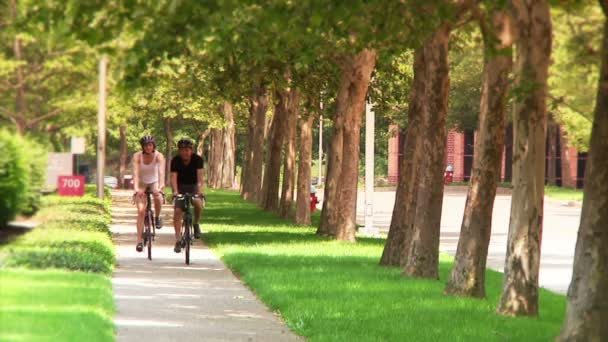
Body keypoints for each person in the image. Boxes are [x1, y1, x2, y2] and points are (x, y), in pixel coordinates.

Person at [170, 137, 204, 253]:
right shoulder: (175, 160)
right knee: (178, 211)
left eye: (187, 150)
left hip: (193, 186)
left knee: (198, 204)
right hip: (180, 187)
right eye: (183, 150)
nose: (185, 152)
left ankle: (196, 224)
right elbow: (173, 178)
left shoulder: (198, 160)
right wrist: (175, 192)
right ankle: (178, 240)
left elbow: (200, 178)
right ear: (179, 151)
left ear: (191, 150)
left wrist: (200, 192)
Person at [132, 135, 165, 252]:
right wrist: (136, 189)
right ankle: (139, 241)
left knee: (157, 195)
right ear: (143, 146)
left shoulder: (159, 156)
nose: (148, 147)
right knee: (141, 211)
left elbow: (161, 172)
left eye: (150, 145)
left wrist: (161, 186)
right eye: (146, 145)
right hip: (141, 182)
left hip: (154, 181)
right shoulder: (137, 156)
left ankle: (157, 217)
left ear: (153, 146)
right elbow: (135, 173)